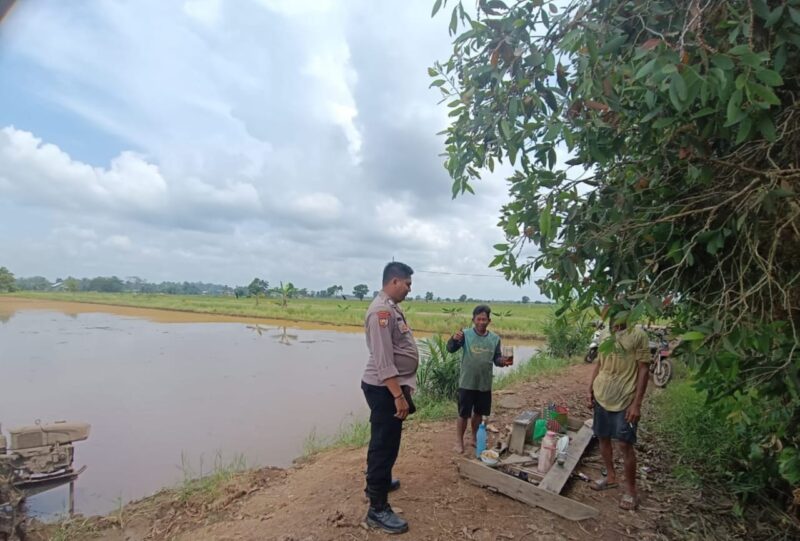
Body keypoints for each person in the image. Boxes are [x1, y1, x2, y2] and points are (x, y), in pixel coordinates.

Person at [360, 262, 418, 534]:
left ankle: (378, 482)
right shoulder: (381, 312)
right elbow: (384, 362)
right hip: (385, 389)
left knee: (385, 440)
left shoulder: (391, 307)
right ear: (394, 281)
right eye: (407, 283)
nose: (409, 288)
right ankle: (377, 508)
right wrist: (398, 396)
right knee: (384, 444)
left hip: (389, 387)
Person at [587, 310, 651, 511]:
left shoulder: (638, 334)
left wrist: (637, 404)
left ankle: (631, 490)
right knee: (603, 437)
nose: (613, 319)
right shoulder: (605, 333)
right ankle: (611, 476)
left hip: (625, 399)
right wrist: (590, 387)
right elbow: (599, 363)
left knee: (624, 444)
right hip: (602, 395)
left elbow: (643, 369)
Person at [447, 305, 511, 454]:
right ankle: (459, 442)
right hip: (467, 382)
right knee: (463, 414)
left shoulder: (495, 338)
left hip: (484, 383)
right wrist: (453, 339)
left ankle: (475, 438)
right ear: (473, 320)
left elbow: (496, 359)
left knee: (478, 413)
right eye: (478, 319)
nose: (481, 322)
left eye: (484, 319)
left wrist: (503, 361)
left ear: (489, 320)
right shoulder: (465, 334)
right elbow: (450, 349)